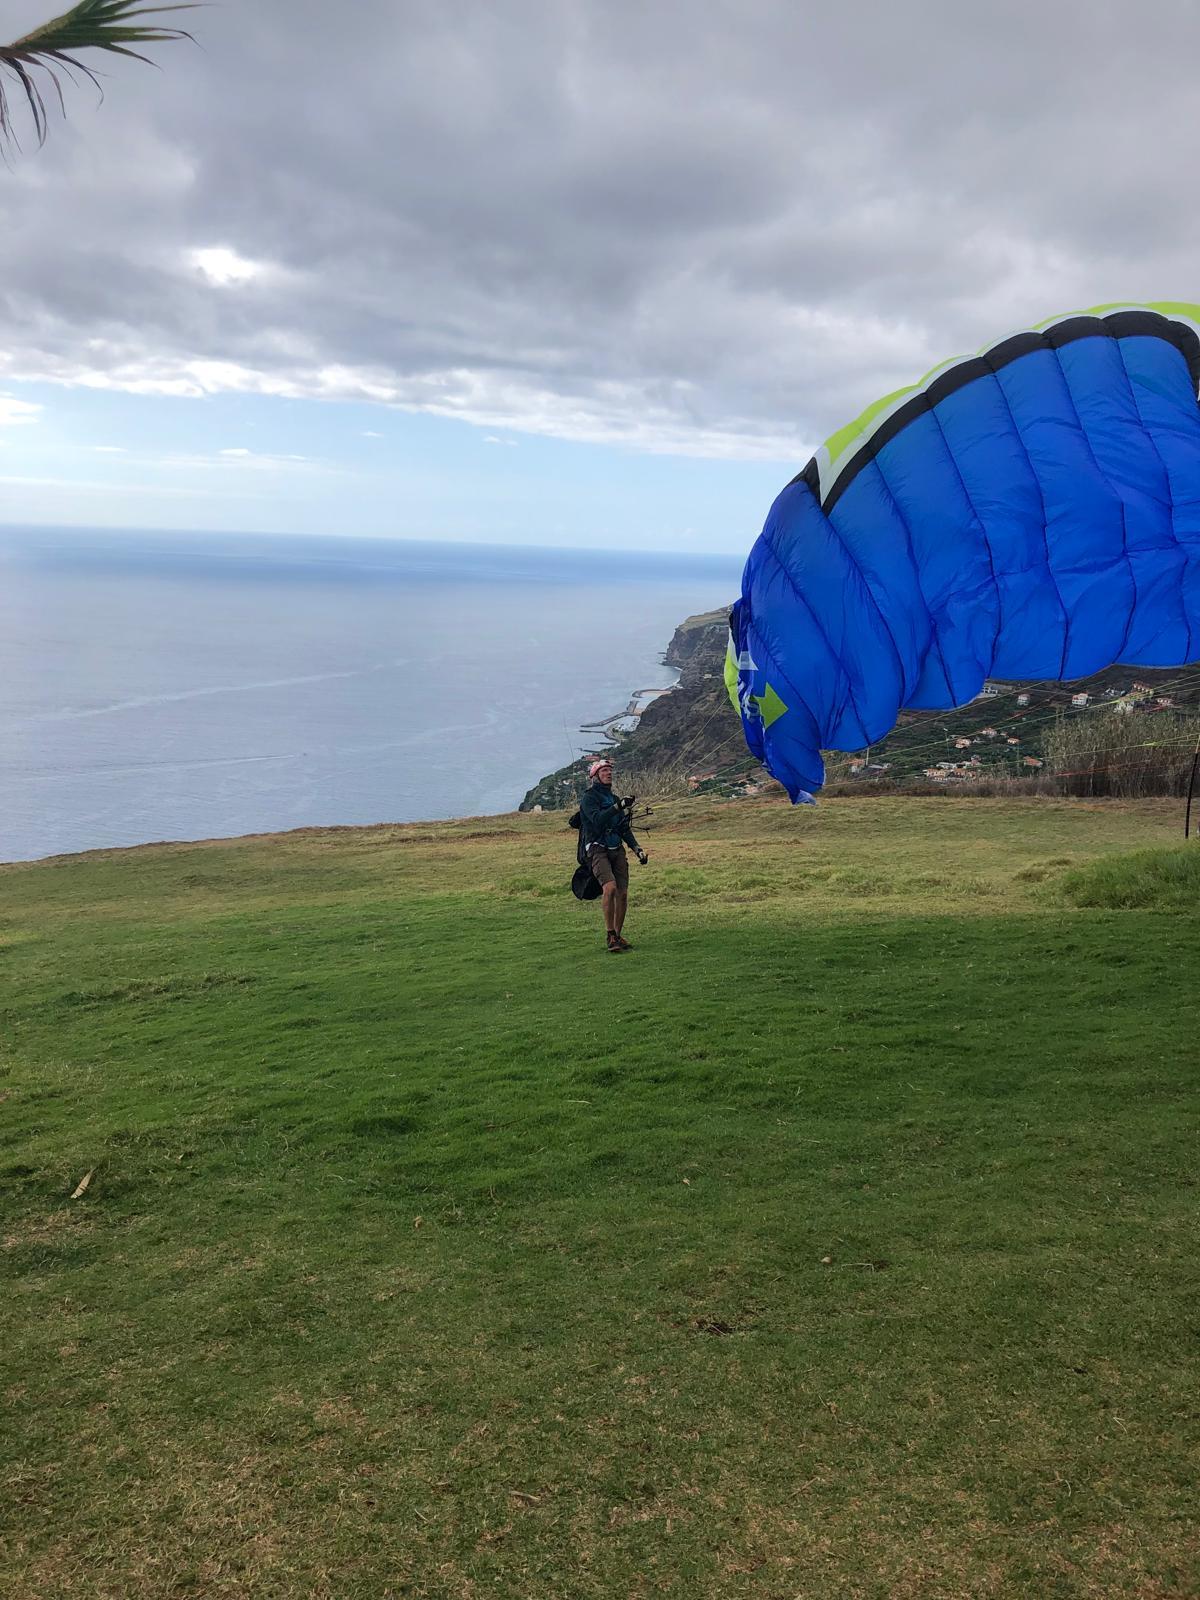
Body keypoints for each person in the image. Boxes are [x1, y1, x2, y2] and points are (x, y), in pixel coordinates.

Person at [579, 757, 648, 953]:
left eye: (610, 771)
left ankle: (618, 936)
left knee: (623, 893)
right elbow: (597, 821)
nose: (608, 774)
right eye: (604, 771)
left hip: (616, 848)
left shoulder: (615, 799)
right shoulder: (589, 798)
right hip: (597, 848)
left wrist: (637, 849)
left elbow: (623, 828)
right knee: (609, 888)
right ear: (595, 777)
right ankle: (610, 934)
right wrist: (618, 807)